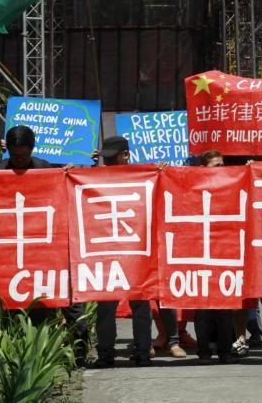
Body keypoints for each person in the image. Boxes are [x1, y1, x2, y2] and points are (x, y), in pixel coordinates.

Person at [0, 125, 90, 367]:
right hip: (9, 253)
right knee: (10, 309)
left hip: (48, 251)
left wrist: (69, 176)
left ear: (32, 150)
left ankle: (80, 354)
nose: (19, 161)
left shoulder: (47, 170)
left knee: (70, 300)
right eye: (14, 156)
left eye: (23, 156)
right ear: (8, 151)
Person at [92, 136, 152, 368]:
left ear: (126, 155)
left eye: (111, 158)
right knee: (106, 305)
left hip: (136, 250)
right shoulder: (96, 177)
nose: (107, 164)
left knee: (140, 304)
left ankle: (142, 352)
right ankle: (106, 353)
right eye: (104, 159)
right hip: (106, 250)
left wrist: (161, 173)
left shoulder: (143, 176)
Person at [194, 149, 237, 364]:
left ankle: (225, 350)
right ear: (203, 168)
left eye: (223, 165)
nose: (221, 169)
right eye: (216, 166)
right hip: (199, 250)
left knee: (225, 305)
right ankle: (203, 351)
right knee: (202, 306)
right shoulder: (191, 185)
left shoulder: (231, 183)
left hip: (225, 250)